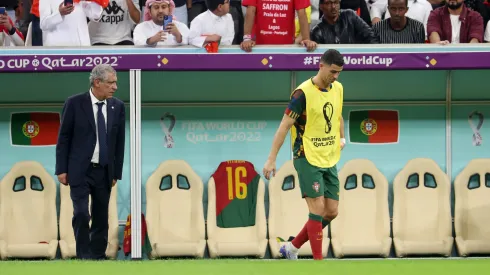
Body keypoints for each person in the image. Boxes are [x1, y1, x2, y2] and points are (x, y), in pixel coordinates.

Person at [263, 49, 345, 261]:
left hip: (329, 157)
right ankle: (318, 263)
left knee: (332, 211)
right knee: (317, 208)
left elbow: (338, 115)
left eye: (339, 73)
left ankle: (292, 247)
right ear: (321, 65)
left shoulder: (338, 88)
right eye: (333, 72)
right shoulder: (302, 94)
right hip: (305, 155)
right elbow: (284, 126)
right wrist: (272, 159)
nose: (335, 77)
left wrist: (342, 138)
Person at [55, 64, 126, 260]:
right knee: (81, 214)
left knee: (101, 216)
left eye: (115, 83)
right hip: (79, 170)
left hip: (104, 171)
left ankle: (97, 256)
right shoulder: (74, 103)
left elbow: (119, 143)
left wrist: (116, 173)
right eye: (111, 83)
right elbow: (64, 138)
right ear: (97, 82)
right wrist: (61, 169)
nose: (115, 87)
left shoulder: (118, 106)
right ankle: (84, 255)